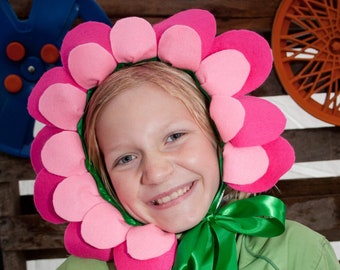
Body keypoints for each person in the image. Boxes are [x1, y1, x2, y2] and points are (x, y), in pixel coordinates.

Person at [28, 9, 339, 270]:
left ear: (220, 137)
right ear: (100, 179)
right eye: (125, 158)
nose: (156, 172)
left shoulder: (302, 255)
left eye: (174, 136)